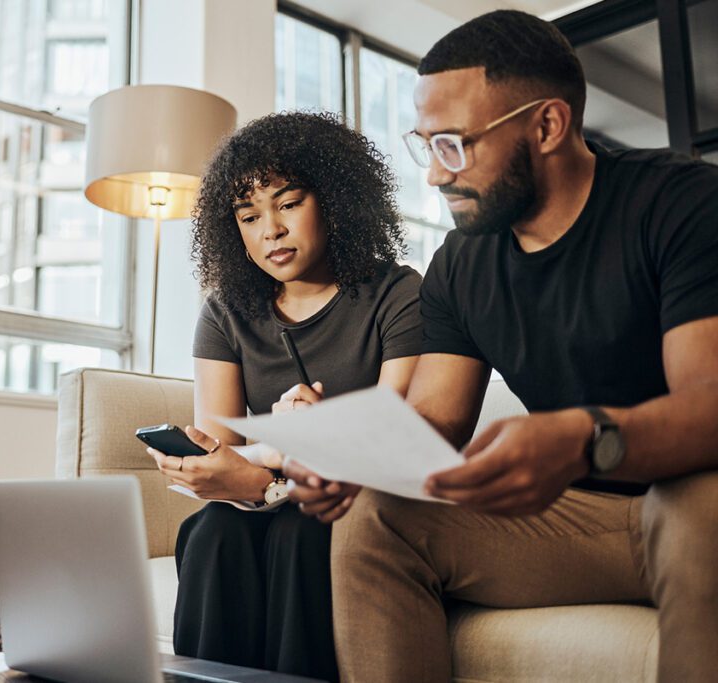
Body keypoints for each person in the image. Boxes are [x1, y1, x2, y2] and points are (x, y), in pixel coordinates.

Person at [285, 10, 718, 683]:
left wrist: (580, 438)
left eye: (453, 145)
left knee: (699, 502)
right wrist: (351, 459)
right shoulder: (461, 264)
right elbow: (434, 424)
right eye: (424, 144)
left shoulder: (679, 204)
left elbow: (709, 406)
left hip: (692, 503)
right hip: (586, 526)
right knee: (374, 516)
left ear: (547, 125)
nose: (433, 175)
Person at [146, 111, 423, 681]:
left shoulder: (397, 294)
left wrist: (275, 460)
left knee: (303, 532)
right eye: (248, 216)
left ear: (337, 199)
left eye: (288, 204)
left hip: (356, 501)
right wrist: (254, 462)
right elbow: (223, 449)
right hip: (265, 495)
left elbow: (402, 437)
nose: (269, 229)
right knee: (210, 530)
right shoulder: (225, 313)